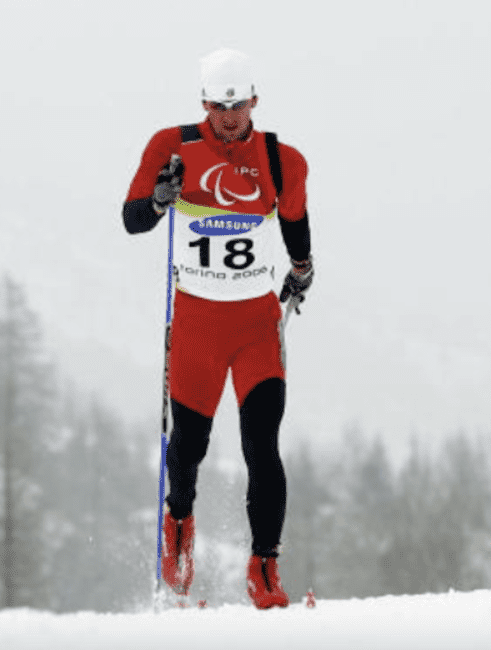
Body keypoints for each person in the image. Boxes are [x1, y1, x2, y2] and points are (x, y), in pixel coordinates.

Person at [122, 48, 313, 609]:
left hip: (255, 325)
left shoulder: (282, 160)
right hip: (197, 326)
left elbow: (297, 221)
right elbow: (132, 219)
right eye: (217, 105)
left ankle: (265, 568)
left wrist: (302, 271)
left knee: (263, 447)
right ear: (203, 102)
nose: (228, 117)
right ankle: (178, 523)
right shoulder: (172, 147)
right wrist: (161, 198)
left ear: (254, 99)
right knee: (189, 448)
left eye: (237, 105)